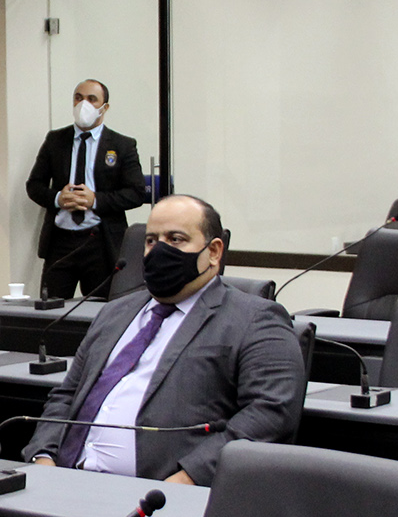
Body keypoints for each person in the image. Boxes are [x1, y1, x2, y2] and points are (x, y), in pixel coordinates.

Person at [23, 194, 306, 485]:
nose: (159, 250)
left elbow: (270, 413)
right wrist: (43, 456)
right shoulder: (114, 313)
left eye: (175, 239)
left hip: (162, 495)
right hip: (64, 484)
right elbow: (67, 395)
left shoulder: (255, 320)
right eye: (151, 240)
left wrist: (189, 477)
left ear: (213, 252)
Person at [24, 80, 149, 299]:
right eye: (78, 98)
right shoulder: (55, 140)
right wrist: (58, 198)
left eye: (92, 99)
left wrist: (95, 200)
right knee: (51, 307)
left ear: (104, 107)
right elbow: (34, 185)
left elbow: (136, 193)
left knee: (100, 309)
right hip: (60, 242)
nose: (84, 104)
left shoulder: (122, 145)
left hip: (100, 242)